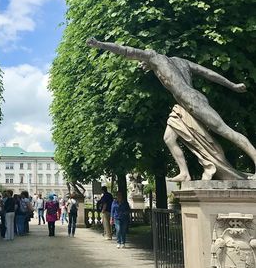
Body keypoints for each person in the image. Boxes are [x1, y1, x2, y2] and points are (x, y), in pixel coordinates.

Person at [87, 37, 256, 180]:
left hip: (191, 101)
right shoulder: (180, 62)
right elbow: (208, 73)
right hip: (184, 104)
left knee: (225, 131)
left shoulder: (153, 57)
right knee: (169, 138)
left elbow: (125, 50)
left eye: (141, 62)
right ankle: (184, 173)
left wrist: (101, 45)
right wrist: (232, 85)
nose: (141, 65)